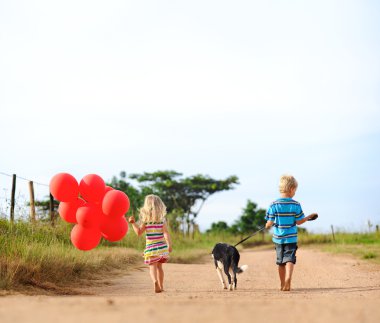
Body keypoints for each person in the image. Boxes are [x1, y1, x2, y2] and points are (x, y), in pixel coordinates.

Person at [265, 174, 317, 292]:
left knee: (280, 262)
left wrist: (267, 225)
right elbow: (299, 222)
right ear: (292, 189)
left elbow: (269, 222)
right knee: (289, 259)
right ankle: (289, 278)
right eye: (295, 191)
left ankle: (282, 283)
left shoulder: (273, 204)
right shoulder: (295, 204)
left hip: (278, 238)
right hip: (291, 238)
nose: (295, 193)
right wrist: (308, 217)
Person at [128, 194, 172, 293]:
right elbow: (165, 233)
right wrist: (169, 245)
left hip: (151, 248)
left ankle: (155, 281)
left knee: (152, 267)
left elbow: (139, 233)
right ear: (159, 206)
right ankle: (161, 286)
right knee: (160, 267)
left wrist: (133, 223)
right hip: (161, 247)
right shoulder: (162, 220)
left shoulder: (146, 220)